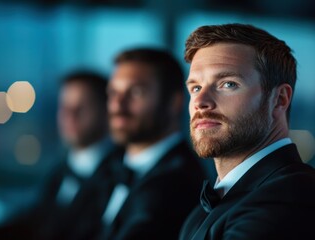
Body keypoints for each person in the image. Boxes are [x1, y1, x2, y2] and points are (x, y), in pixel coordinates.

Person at [179, 23, 315, 240]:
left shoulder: (291, 198)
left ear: (279, 100)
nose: (200, 102)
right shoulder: (203, 211)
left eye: (228, 84)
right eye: (195, 88)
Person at [0, 71, 117, 239]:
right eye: (65, 107)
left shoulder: (119, 175)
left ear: (106, 111)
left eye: (81, 107)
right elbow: (35, 217)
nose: (70, 116)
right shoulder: (60, 169)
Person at [100, 48, 206, 240]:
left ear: (174, 102)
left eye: (136, 92)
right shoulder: (110, 163)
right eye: (113, 92)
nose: (117, 105)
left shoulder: (179, 184)